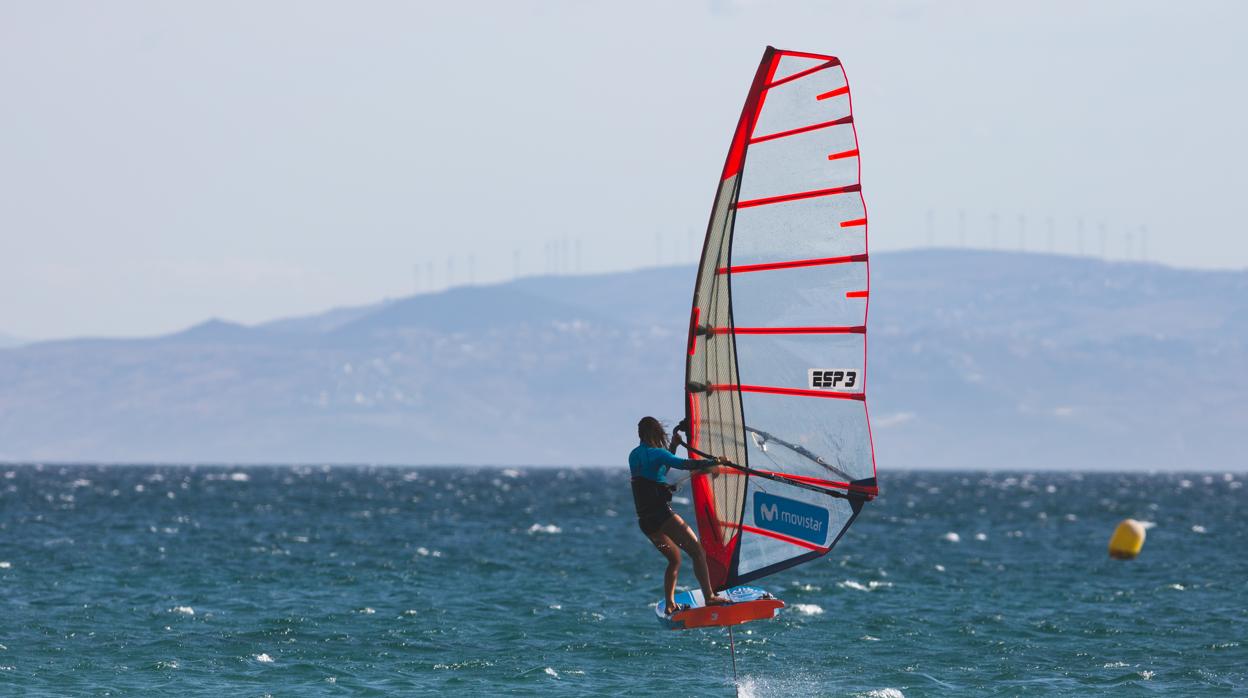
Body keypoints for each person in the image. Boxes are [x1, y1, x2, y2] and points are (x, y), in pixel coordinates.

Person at [629, 416, 729, 615]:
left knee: (674, 560)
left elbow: (659, 468)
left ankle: (669, 604)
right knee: (698, 552)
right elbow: (683, 464)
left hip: (646, 522)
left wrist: (673, 447)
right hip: (661, 515)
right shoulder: (657, 453)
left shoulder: (634, 455)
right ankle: (709, 597)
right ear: (654, 433)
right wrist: (714, 461)